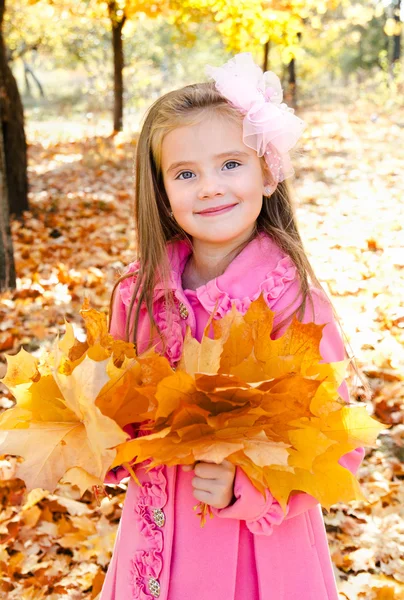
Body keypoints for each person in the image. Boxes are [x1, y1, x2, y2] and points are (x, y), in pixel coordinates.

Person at [100, 52, 364, 600]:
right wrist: (104, 437)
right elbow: (116, 402)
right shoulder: (140, 291)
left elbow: (337, 441)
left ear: (268, 172)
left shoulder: (292, 300)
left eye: (230, 164)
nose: (210, 187)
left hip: (254, 550)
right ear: (164, 193)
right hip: (157, 536)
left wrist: (250, 486)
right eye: (186, 173)